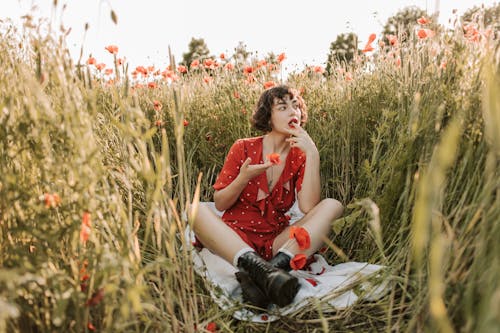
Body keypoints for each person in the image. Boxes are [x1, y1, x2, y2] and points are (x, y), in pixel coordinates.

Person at [192, 85, 344, 308]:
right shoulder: (243, 147)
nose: (293, 111)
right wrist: (243, 178)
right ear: (268, 117)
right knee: (194, 209)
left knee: (332, 205)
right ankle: (260, 270)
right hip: (235, 237)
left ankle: (272, 269)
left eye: (296, 106)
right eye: (283, 107)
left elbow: (308, 207)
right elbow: (220, 202)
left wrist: (313, 153)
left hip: (274, 242)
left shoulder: (299, 156)